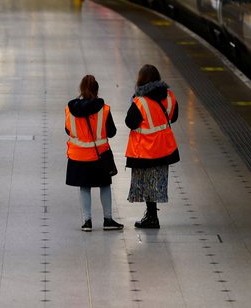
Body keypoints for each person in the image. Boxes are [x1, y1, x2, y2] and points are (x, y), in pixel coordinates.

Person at [65, 74, 123, 231]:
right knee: (105, 185)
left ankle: (87, 222)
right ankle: (108, 220)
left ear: (81, 90)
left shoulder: (70, 109)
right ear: (97, 90)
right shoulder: (104, 110)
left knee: (84, 187)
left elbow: (68, 130)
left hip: (78, 156)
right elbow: (111, 132)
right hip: (99, 157)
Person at [125, 64, 179, 228]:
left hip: (145, 150)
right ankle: (151, 215)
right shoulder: (169, 96)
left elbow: (130, 122)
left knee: (146, 183)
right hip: (164, 149)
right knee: (156, 182)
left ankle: (152, 216)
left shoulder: (140, 101)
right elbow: (174, 117)